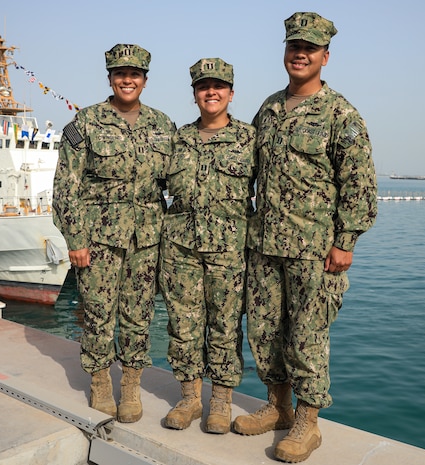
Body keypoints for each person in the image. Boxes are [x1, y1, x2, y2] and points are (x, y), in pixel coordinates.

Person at [232, 12, 377, 462]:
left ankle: (308, 423)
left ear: (325, 57)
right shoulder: (270, 108)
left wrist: (345, 241)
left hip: (314, 250)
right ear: (285, 52)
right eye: (294, 46)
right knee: (265, 331)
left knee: (308, 336)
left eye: (310, 48)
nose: (300, 54)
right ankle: (277, 408)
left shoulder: (341, 114)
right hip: (265, 244)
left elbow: (360, 183)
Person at [53, 43, 175, 423]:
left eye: (134, 74)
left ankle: (132, 385)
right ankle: (102, 381)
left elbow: (176, 183)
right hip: (100, 239)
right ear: (110, 78)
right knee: (98, 313)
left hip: (147, 241)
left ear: (144, 80)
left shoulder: (163, 125)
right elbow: (65, 187)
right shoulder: (84, 123)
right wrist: (75, 241)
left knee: (139, 315)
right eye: (120, 73)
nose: (127, 79)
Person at [159, 58, 255, 434]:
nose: (210, 92)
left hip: (229, 250)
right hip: (180, 248)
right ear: (195, 94)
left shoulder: (249, 139)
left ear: (231, 93)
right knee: (183, 325)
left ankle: (220, 401)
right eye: (203, 86)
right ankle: (189, 398)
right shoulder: (177, 140)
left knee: (226, 326)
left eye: (218, 86)